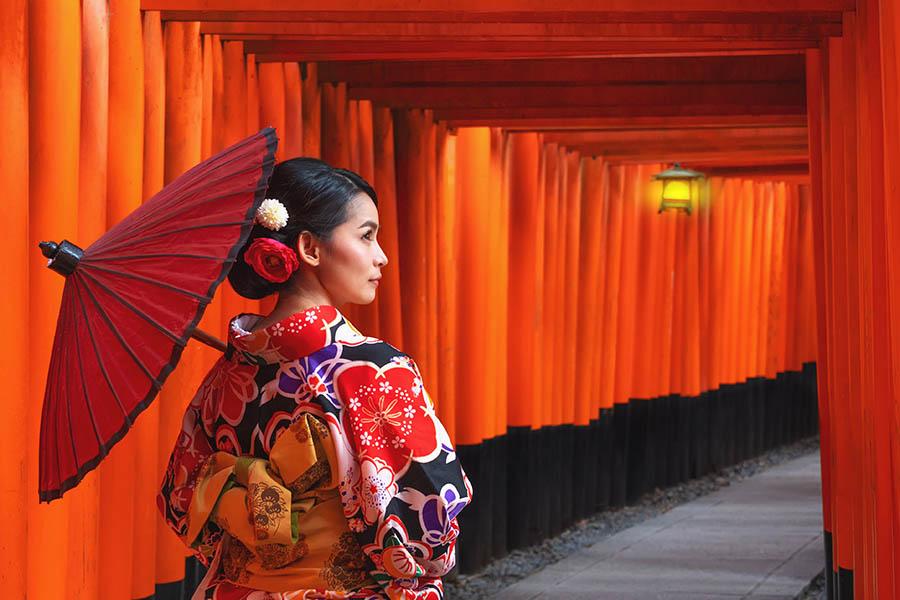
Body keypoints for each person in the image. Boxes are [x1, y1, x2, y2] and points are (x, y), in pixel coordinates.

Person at [158, 158, 472, 600]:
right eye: (366, 236)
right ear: (309, 248)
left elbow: (180, 505)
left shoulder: (224, 376)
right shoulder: (371, 370)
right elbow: (430, 521)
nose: (380, 256)